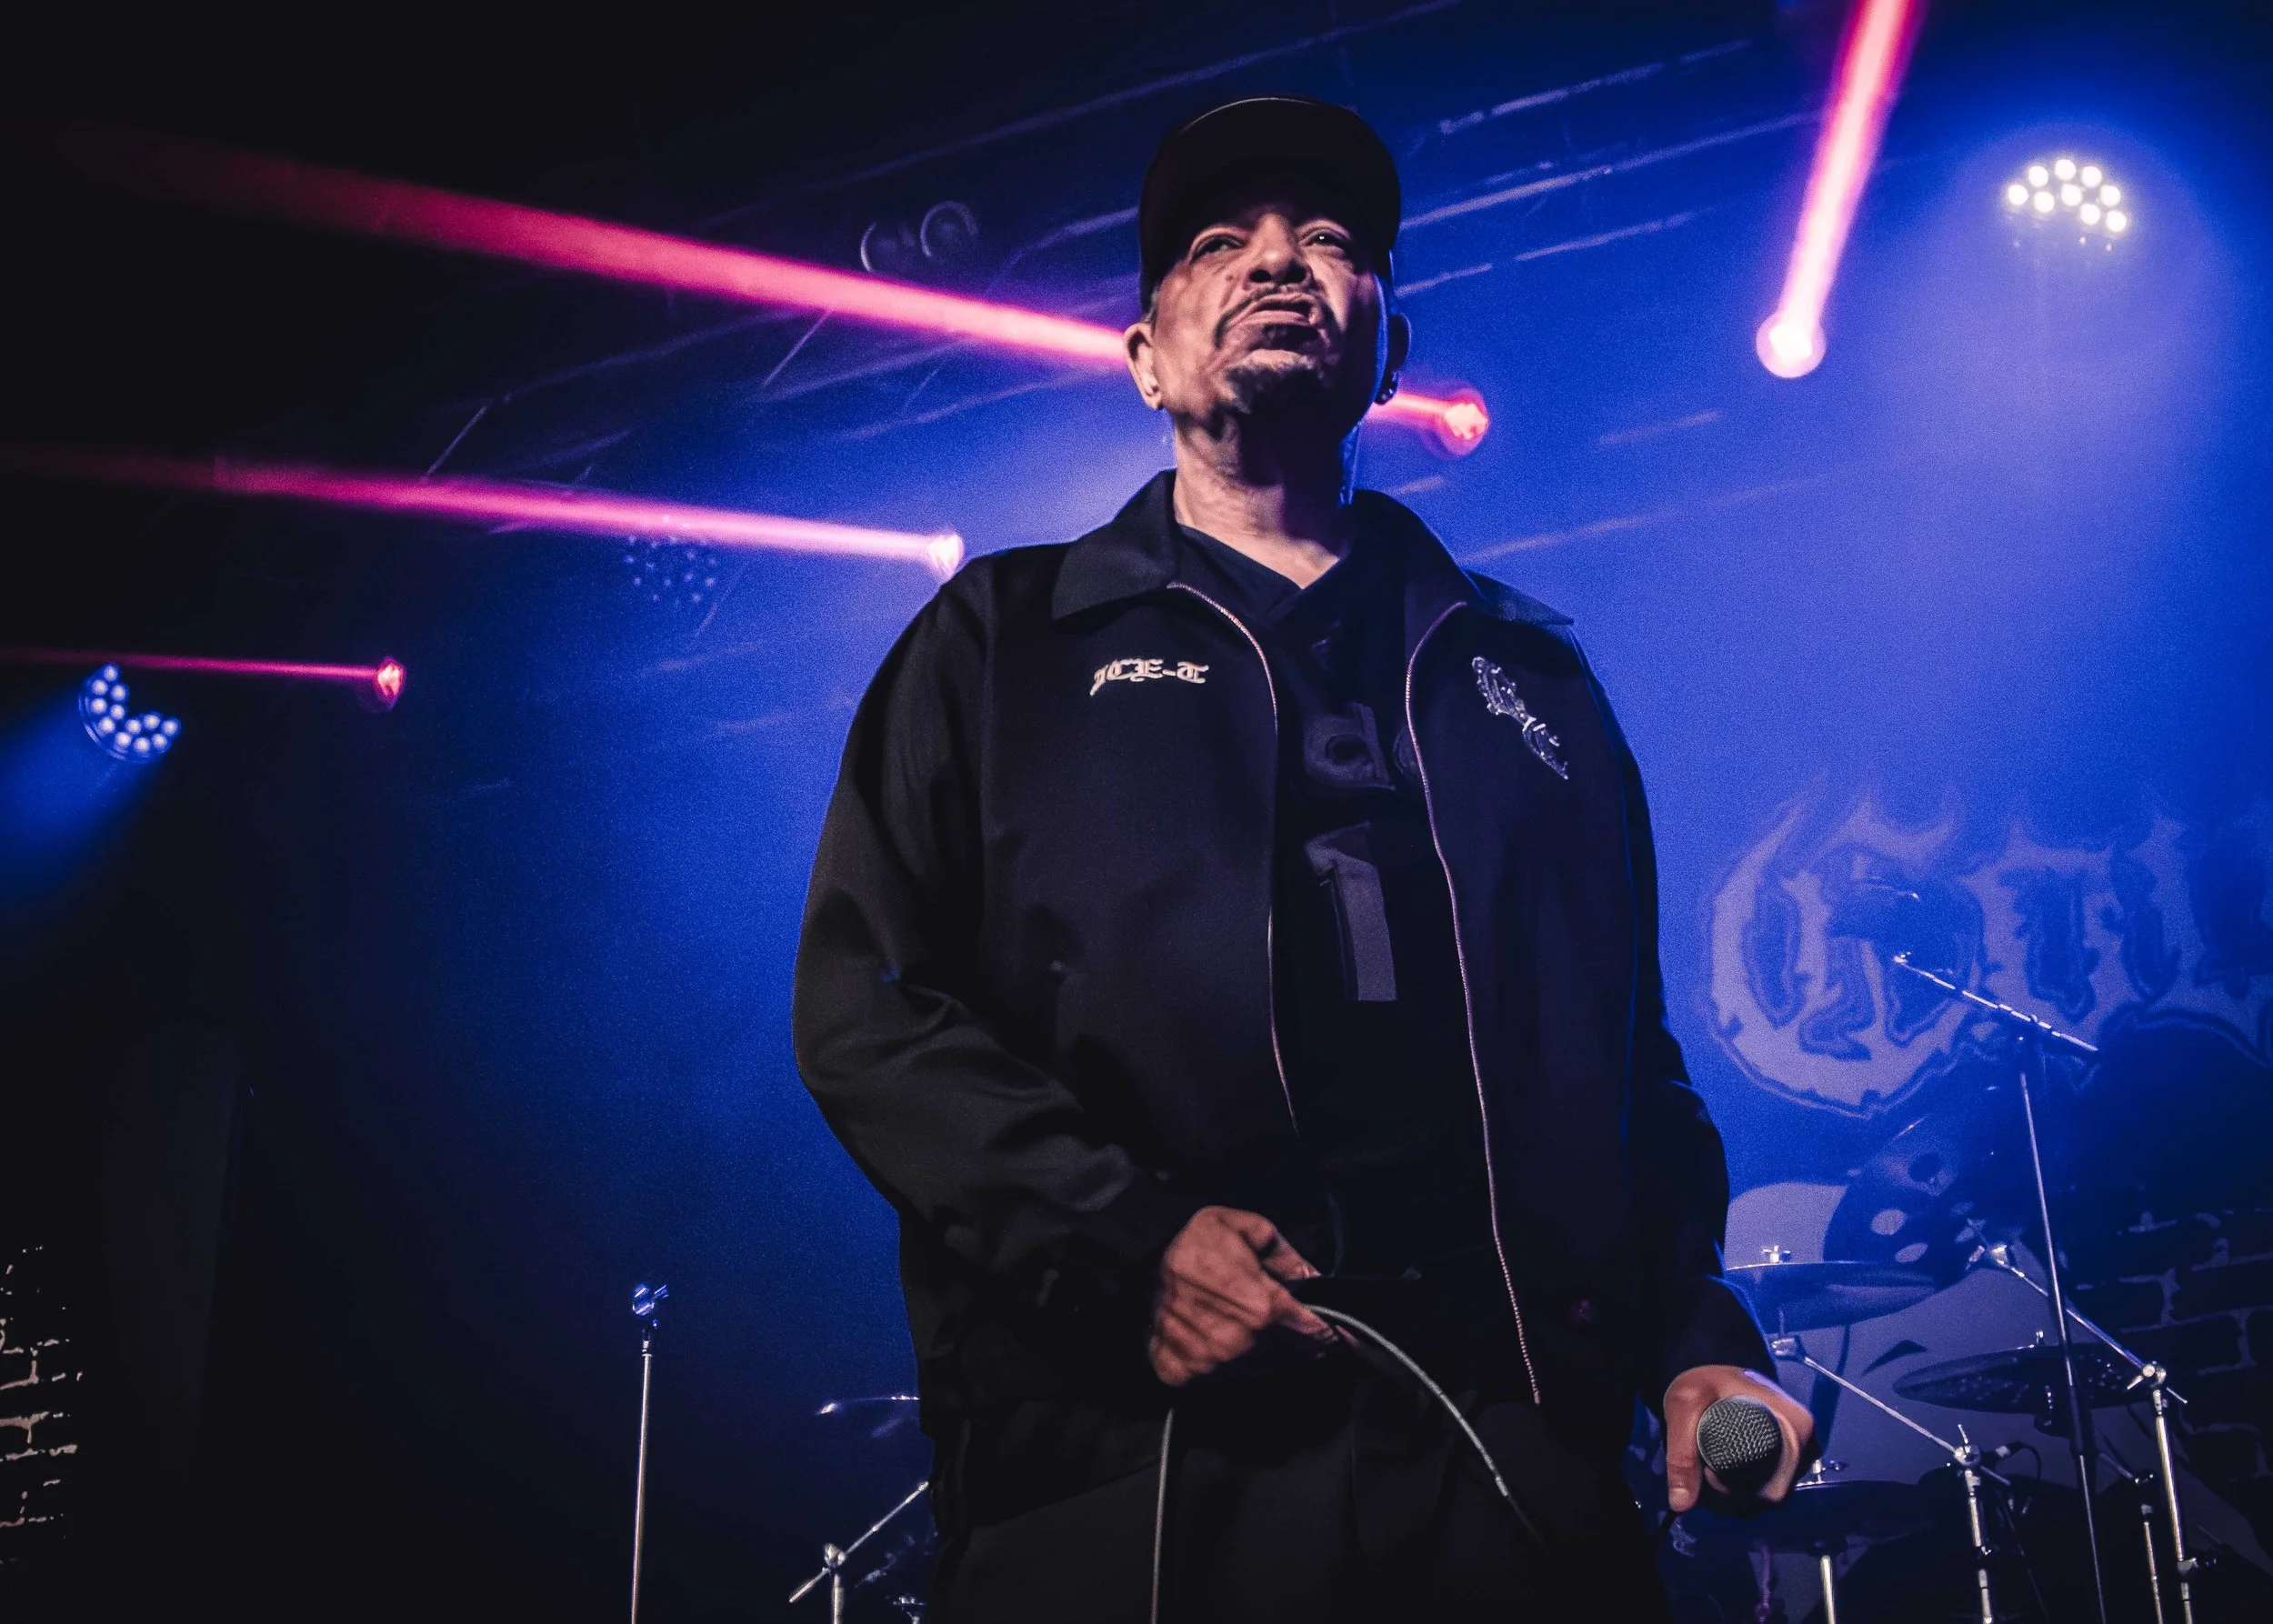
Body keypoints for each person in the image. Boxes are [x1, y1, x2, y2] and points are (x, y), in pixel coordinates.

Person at [794, 95, 1812, 1622]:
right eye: (1220, 243)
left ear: (1392, 351)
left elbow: (1630, 1072)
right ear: (1145, 358)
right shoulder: (1001, 645)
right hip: (1133, 1472)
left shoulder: (1532, 682)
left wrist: (1695, 1338)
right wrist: (1130, 1245)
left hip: (1510, 1467)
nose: (1278, 259)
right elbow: (868, 1010)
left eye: (1329, 240)